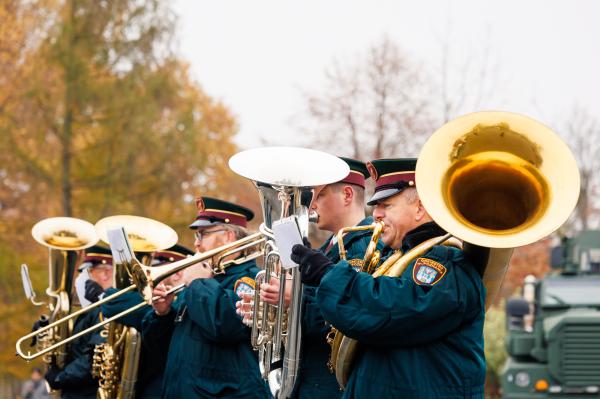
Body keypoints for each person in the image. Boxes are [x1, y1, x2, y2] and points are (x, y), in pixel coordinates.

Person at [290, 158, 487, 398]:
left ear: (420, 208)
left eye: (386, 205)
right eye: (375, 206)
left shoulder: (445, 264)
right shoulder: (398, 257)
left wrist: (327, 275)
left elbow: (387, 309)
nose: (376, 215)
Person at [255, 157, 383, 398]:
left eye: (319, 195)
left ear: (347, 195)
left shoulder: (365, 248)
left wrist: (295, 300)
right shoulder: (325, 248)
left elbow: (349, 320)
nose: (311, 204)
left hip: (331, 386)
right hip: (309, 381)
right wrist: (269, 310)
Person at [142, 197, 269, 398]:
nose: (196, 244)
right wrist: (163, 314)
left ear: (228, 236)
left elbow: (226, 325)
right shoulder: (204, 279)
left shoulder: (251, 279)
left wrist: (196, 284)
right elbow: (160, 351)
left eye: (202, 235)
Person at [100, 244, 194, 399]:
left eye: (154, 270)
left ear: (177, 274)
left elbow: (112, 304)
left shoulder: (181, 302)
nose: (149, 277)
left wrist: (104, 296)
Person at [45, 245, 113, 399]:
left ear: (105, 273)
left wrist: (61, 377)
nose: (79, 279)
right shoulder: (92, 308)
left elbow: (95, 357)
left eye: (85, 272)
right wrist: (48, 327)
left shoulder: (104, 309)